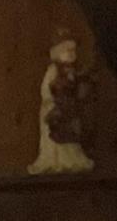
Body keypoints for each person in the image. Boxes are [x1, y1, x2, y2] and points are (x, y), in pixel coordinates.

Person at [29, 33, 97, 174]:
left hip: (70, 109)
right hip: (56, 108)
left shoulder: (74, 71)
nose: (71, 54)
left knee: (71, 134)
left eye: (73, 51)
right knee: (55, 135)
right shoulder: (53, 71)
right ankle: (55, 160)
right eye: (67, 51)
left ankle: (71, 159)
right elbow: (46, 90)